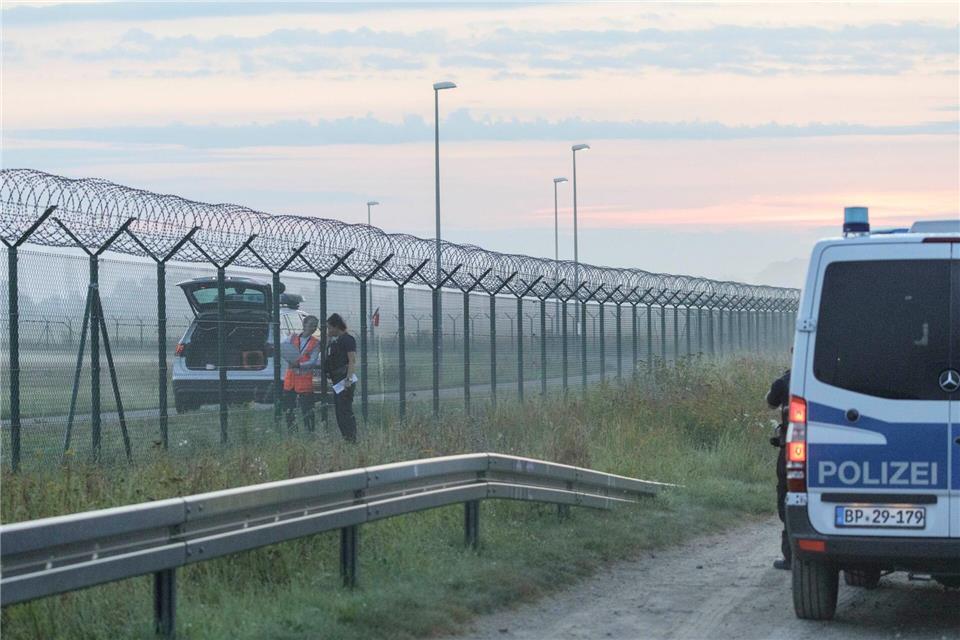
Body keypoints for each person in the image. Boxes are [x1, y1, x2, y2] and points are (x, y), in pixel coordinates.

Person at [766, 367, 792, 570]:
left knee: (787, 494)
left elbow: (770, 402)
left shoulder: (785, 381)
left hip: (792, 449)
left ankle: (791, 556)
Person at [324, 313, 358, 443]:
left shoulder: (348, 340)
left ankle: (352, 438)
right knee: (339, 411)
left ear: (336, 326)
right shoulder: (335, 341)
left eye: (329, 327)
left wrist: (348, 380)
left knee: (345, 411)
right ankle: (346, 438)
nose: (328, 330)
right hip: (337, 380)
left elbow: (352, 360)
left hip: (345, 379)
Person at [283, 315, 320, 432]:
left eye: (315, 326)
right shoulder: (292, 337)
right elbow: (284, 348)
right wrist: (289, 360)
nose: (313, 328)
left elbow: (313, 361)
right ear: (304, 325)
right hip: (291, 379)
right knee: (289, 408)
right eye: (311, 325)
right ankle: (292, 431)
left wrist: (299, 365)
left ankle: (310, 431)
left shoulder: (315, 342)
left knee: (307, 409)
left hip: (304, 380)